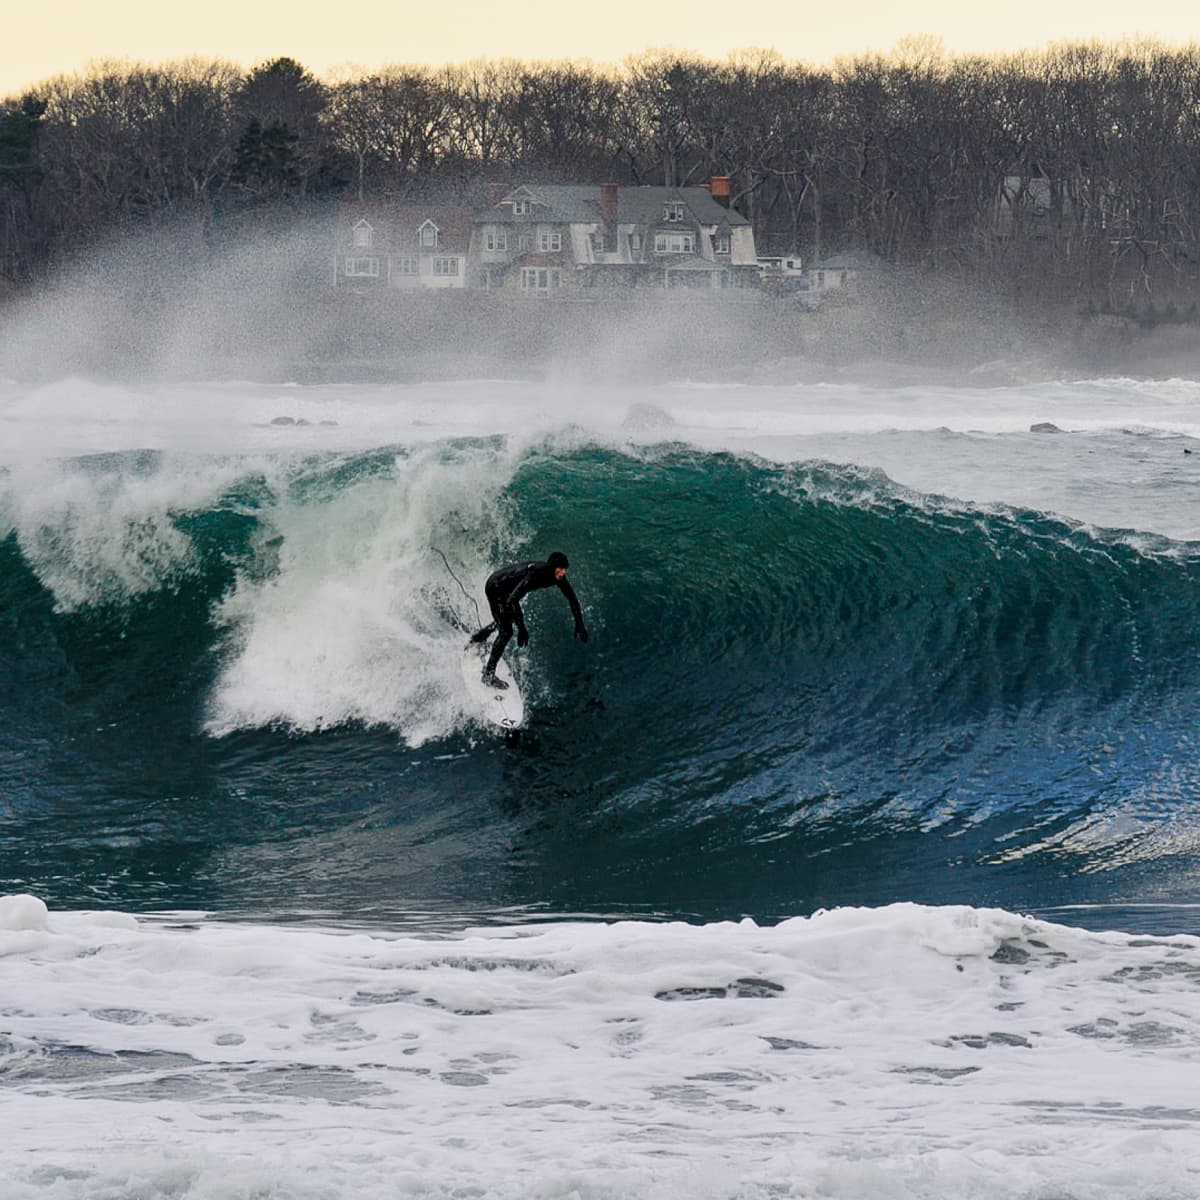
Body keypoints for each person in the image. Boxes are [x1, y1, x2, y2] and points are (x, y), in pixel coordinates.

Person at [469, 551, 588, 688]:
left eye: (565, 569)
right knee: (506, 631)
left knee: (505, 618)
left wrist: (580, 624)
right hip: (496, 587)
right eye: (560, 569)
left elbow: (572, 599)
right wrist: (522, 628)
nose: (563, 572)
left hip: (507, 591)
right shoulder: (536, 574)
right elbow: (512, 600)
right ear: (552, 567)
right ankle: (488, 676)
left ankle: (479, 636)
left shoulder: (558, 578)